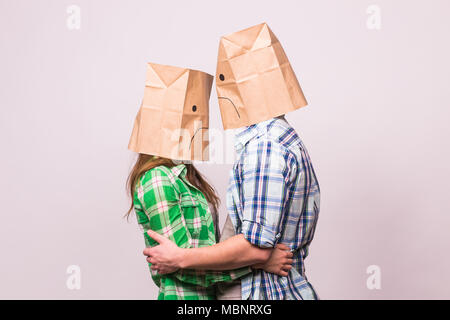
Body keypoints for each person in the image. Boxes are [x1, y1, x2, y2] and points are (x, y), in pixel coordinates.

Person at [144, 23, 320, 300]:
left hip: (261, 293)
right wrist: (259, 258)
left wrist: (179, 258)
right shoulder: (281, 139)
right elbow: (257, 250)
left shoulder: (265, 148)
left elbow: (256, 246)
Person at [128, 63, 293, 300]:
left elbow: (192, 256)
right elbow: (179, 266)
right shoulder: (157, 179)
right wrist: (259, 261)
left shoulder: (186, 175)